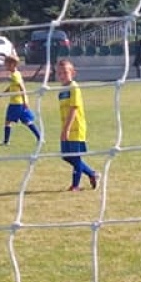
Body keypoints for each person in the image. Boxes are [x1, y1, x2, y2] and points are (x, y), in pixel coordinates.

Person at [57, 58, 98, 192]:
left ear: (73, 73)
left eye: (65, 73)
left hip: (75, 129)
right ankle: (92, 174)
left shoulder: (74, 88)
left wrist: (67, 130)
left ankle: (75, 185)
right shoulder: (62, 90)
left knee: (75, 156)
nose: (62, 76)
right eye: (60, 73)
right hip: (66, 128)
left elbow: (74, 109)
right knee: (66, 156)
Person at [0, 54, 41, 147]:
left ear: (12, 64)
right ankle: (40, 138)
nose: (5, 66)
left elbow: (22, 88)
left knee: (8, 121)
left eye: (6, 64)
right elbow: (11, 87)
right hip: (18, 103)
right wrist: (1, 95)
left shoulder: (15, 75)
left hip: (16, 103)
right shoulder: (15, 74)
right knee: (27, 121)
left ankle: (6, 142)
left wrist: (25, 101)